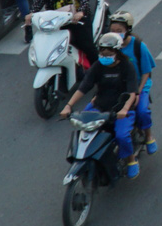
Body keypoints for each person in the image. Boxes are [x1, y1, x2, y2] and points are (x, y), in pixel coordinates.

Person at [60, 31, 144, 179]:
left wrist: (124, 109)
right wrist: (68, 105)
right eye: (102, 53)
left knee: (122, 135)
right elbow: (83, 87)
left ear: (117, 52)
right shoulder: (98, 66)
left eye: (108, 53)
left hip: (120, 109)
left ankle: (131, 161)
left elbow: (132, 92)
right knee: (82, 127)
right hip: (99, 106)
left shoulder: (127, 66)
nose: (105, 56)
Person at [104, 11, 157, 154]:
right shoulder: (108, 46)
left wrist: (139, 91)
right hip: (118, 86)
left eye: (119, 31)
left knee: (142, 111)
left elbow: (146, 71)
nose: (115, 34)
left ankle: (148, 136)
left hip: (139, 86)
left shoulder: (139, 46)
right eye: (112, 31)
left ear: (128, 30)